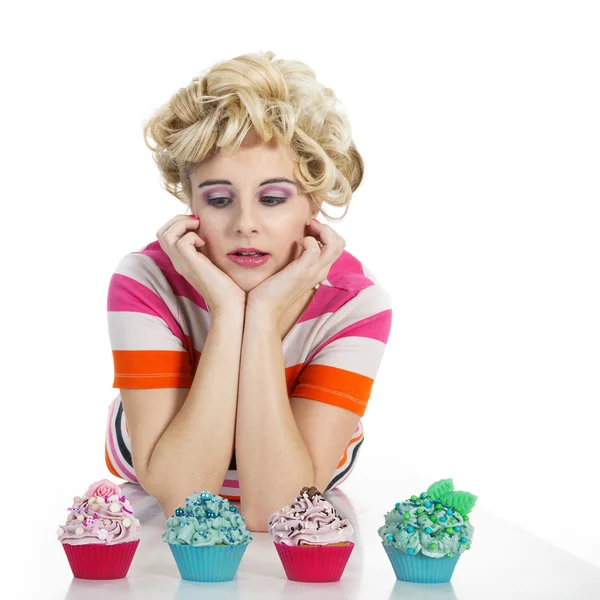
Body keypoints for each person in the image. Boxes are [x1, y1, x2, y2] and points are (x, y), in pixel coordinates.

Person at [105, 51, 393, 531]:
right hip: (157, 481)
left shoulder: (355, 305)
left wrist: (260, 315)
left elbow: (277, 511)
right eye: (219, 200)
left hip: (287, 479)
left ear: (314, 200)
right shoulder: (144, 282)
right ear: (188, 201)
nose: (245, 225)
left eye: (273, 199)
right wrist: (227, 312)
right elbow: (182, 502)